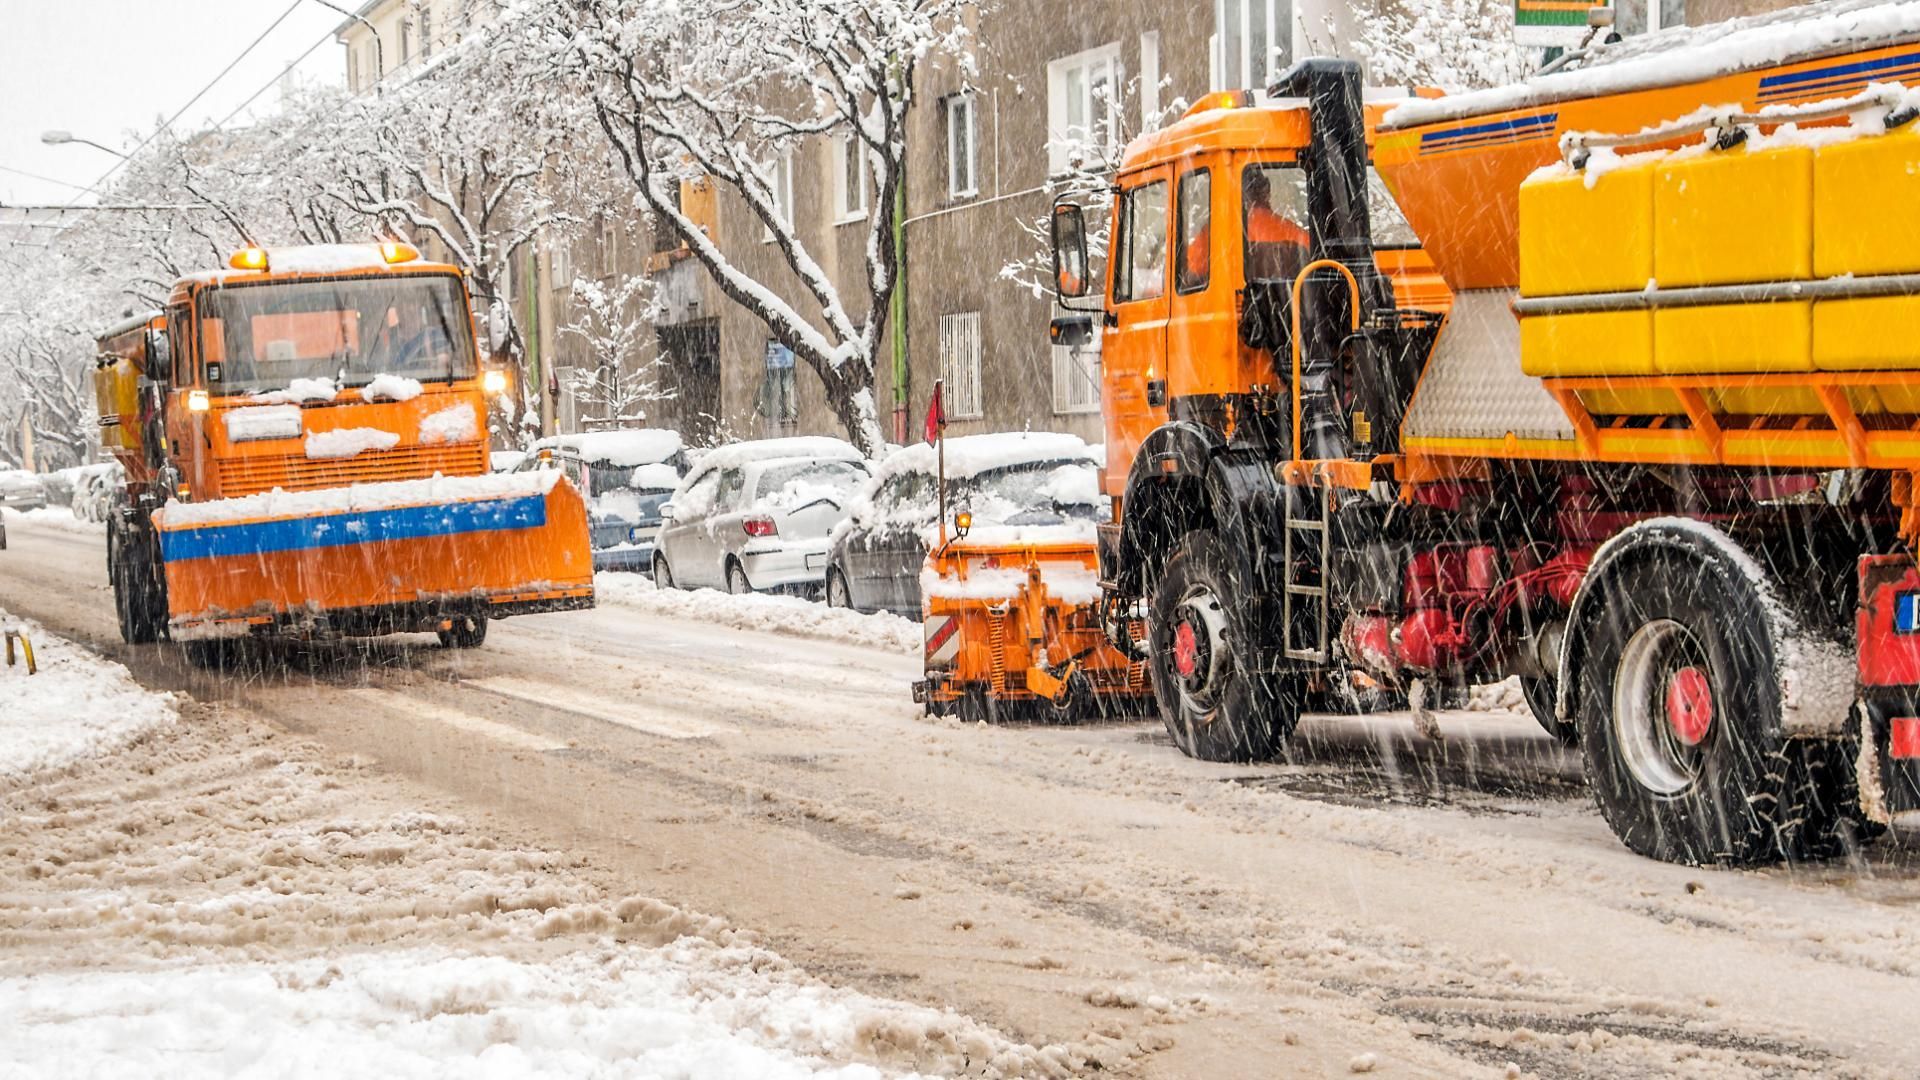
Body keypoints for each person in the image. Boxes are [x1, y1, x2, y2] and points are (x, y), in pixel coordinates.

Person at [1183, 168, 1309, 283]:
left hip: (1227, 306)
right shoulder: (1293, 232)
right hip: (1294, 305)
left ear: (1235, 193)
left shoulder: (1214, 234)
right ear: (1267, 192)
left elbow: (1189, 274)